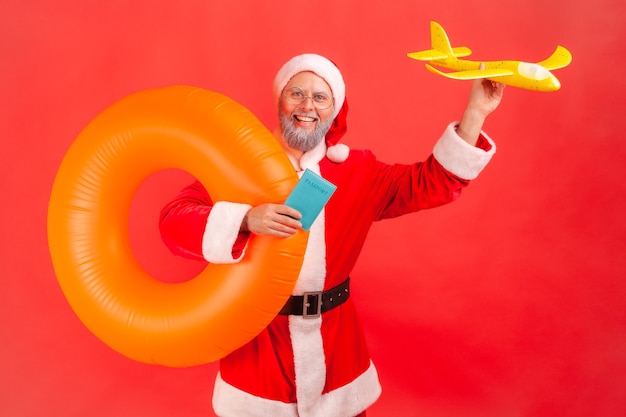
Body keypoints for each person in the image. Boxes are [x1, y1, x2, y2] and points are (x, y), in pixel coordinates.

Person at [159, 53, 504, 417]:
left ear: (335, 109)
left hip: (336, 345)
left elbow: (431, 182)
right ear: (280, 100)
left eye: (320, 97)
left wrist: (476, 114)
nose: (307, 106)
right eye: (296, 93)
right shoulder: (238, 165)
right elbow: (173, 221)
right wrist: (246, 219)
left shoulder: (358, 172)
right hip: (259, 346)